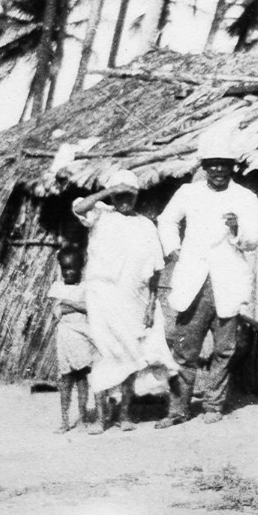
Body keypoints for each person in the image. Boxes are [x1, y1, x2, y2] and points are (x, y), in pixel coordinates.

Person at [154, 132, 258, 428]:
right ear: (203, 165)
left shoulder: (245, 197)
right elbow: (166, 220)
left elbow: (255, 238)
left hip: (227, 281)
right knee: (185, 349)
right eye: (212, 164)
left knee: (225, 348)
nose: (217, 170)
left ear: (232, 166)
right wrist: (173, 248)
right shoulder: (188, 193)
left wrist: (238, 228)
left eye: (223, 164)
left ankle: (214, 404)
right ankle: (177, 409)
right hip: (194, 280)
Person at [70, 169, 167, 432]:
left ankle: (124, 414)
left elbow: (156, 269)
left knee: (131, 355)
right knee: (105, 353)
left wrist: (151, 305)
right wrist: (109, 191)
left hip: (135, 300)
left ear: (137, 196)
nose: (124, 200)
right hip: (103, 299)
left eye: (129, 195)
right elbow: (79, 207)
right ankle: (102, 418)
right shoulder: (100, 215)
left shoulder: (146, 225)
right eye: (119, 195)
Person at [47, 249, 100, 434]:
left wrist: (68, 304)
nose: (69, 272)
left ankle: (83, 416)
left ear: (80, 268)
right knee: (65, 380)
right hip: (65, 339)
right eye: (65, 268)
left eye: (73, 268)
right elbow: (56, 310)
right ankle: (64, 420)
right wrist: (77, 306)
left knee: (82, 379)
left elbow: (90, 308)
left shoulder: (86, 287)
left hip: (82, 338)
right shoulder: (57, 286)